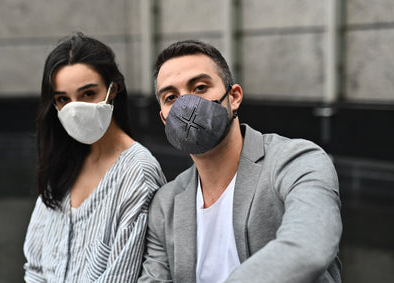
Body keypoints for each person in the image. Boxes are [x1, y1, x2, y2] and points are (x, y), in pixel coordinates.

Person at [138, 40, 342, 283]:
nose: (186, 105)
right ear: (163, 119)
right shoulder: (165, 205)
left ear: (233, 97)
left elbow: (308, 246)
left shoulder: (297, 161)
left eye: (200, 87)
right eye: (171, 97)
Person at [23, 33, 166, 283]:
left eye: (88, 93)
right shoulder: (61, 164)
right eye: (63, 99)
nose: (75, 109)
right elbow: (35, 267)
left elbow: (122, 277)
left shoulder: (137, 172)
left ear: (113, 90)